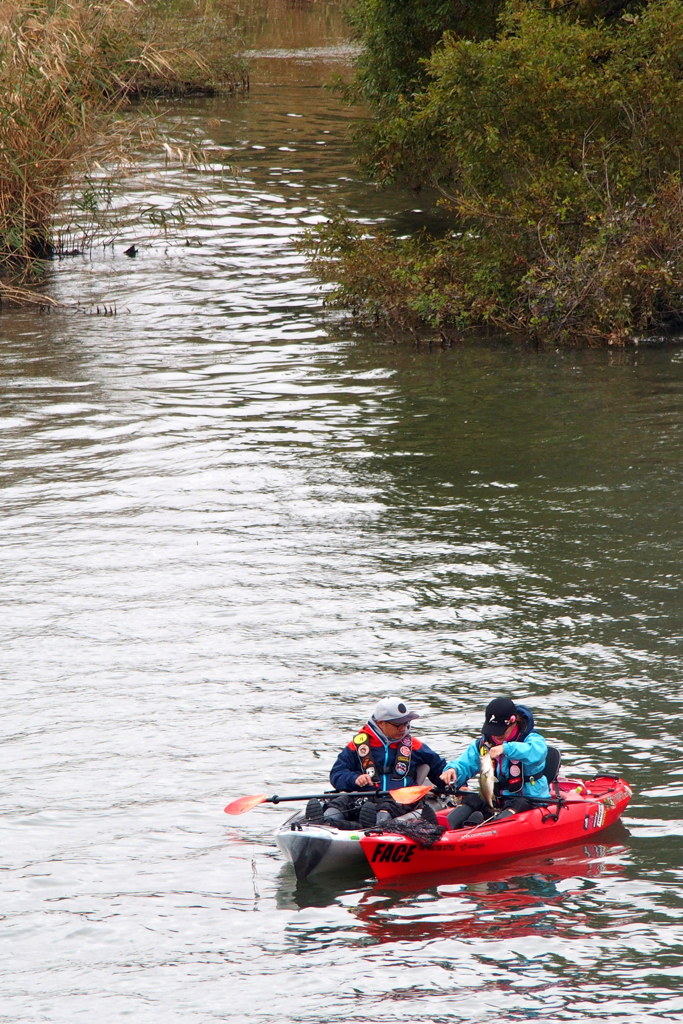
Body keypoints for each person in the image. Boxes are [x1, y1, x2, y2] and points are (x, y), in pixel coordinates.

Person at [306, 697, 446, 829]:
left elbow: (439, 769)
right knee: (335, 808)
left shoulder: (414, 746)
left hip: (399, 800)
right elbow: (337, 774)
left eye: (406, 723)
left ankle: (363, 828)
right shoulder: (358, 745)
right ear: (381, 723)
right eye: (398, 725)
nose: (403, 728)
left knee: (382, 814)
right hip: (364, 798)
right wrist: (355, 779)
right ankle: (323, 822)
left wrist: (458, 786)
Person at [440, 696, 551, 829]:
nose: (496, 736)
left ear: (513, 722)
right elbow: (464, 764)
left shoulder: (532, 739)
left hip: (528, 800)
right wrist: (453, 770)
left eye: (501, 731)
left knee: (517, 804)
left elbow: (538, 753)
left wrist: (506, 748)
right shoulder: (484, 745)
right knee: (471, 799)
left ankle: (492, 830)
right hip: (497, 798)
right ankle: (444, 829)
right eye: (493, 730)